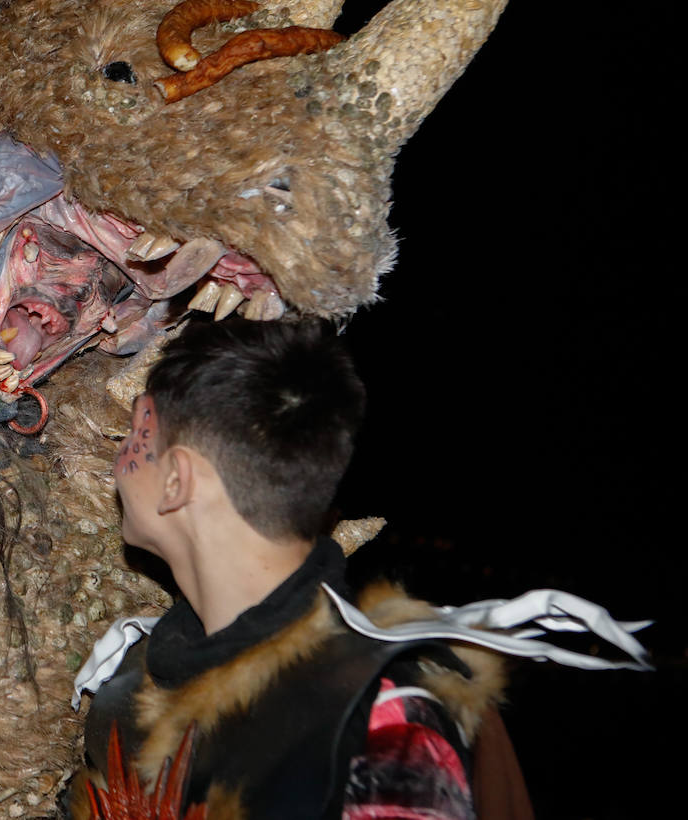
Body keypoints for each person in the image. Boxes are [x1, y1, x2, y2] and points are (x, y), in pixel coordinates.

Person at [70, 318, 490, 819]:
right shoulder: (137, 684)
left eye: (138, 432)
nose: (120, 458)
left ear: (177, 481)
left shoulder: (374, 724)